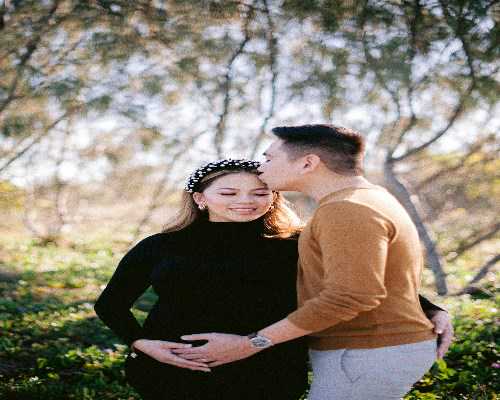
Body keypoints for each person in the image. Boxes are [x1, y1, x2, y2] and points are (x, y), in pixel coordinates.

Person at [173, 125, 454, 400]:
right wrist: (430, 309)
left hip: (366, 352)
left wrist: (249, 344)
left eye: (270, 158)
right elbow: (369, 273)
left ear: (308, 163)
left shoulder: (345, 209)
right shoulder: (367, 198)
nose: (262, 168)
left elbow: (351, 295)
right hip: (372, 351)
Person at [94, 159, 310, 400]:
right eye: (228, 193)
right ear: (199, 198)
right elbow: (110, 305)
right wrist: (142, 343)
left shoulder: (297, 245)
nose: (246, 201)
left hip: (269, 371)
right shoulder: (161, 246)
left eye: (260, 193)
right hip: (171, 372)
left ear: (274, 197)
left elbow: (322, 307)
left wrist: (252, 343)